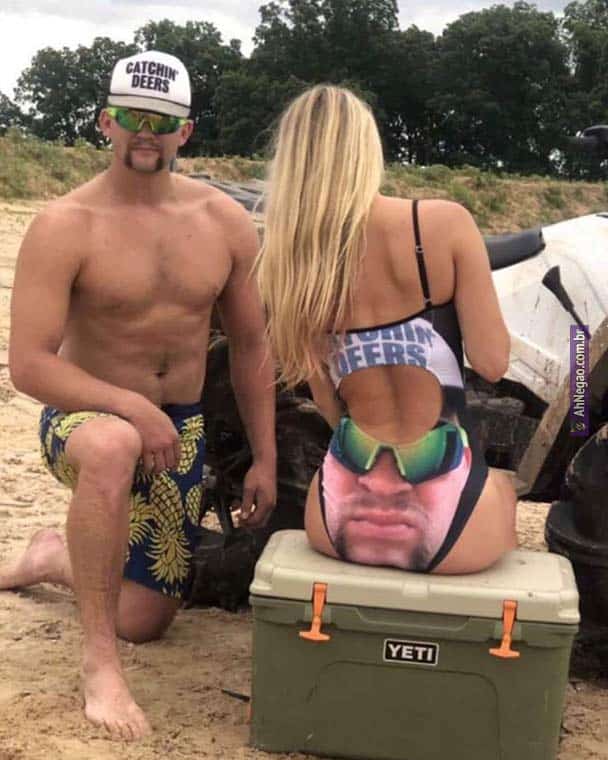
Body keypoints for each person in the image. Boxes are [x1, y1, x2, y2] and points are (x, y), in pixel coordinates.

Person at [1, 50, 276, 741]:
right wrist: (131, 407)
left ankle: (51, 558)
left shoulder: (224, 222)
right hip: (84, 419)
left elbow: (252, 347)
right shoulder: (66, 224)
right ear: (106, 123)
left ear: (186, 131)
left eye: (161, 120)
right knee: (113, 443)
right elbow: (29, 365)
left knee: (144, 620)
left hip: (179, 428)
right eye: (131, 117)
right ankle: (99, 667)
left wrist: (266, 458)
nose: (145, 132)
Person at [255, 84, 516, 576]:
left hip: (337, 520)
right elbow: (492, 363)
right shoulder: (443, 223)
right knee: (503, 489)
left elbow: (331, 410)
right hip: (452, 525)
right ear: (367, 149)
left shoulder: (289, 265)